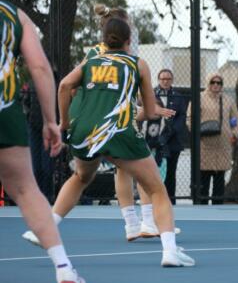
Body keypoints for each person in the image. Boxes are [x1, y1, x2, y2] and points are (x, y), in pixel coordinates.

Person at [21, 5, 179, 245]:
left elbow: (69, 86)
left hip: (86, 123)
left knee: (89, 175)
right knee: (148, 177)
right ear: (124, 34)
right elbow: (96, 91)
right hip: (114, 121)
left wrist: (68, 119)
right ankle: (148, 223)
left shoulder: (93, 55)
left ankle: (132, 224)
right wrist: (147, 111)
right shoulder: (127, 60)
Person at [60, 18, 193, 266]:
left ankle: (45, 226)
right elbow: (150, 111)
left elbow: (65, 85)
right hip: (120, 131)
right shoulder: (136, 63)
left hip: (86, 133)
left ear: (103, 39)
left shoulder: (90, 61)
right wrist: (152, 109)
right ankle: (170, 253)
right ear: (129, 41)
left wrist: (64, 123)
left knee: (80, 178)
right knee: (157, 189)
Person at [0, 0, 87, 283]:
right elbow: (39, 66)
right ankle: (64, 267)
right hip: (4, 112)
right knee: (26, 189)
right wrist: (52, 121)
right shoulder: (14, 16)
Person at [187, 73, 238, 204]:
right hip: (204, 143)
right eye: (213, 82)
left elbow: (236, 119)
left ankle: (218, 206)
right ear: (208, 83)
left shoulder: (228, 100)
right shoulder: (199, 98)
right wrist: (196, 132)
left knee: (219, 178)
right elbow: (190, 118)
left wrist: (234, 133)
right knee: (203, 177)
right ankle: (201, 206)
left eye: (219, 83)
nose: (216, 85)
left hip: (223, 144)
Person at [153, 68, 187, 205]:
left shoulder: (178, 96)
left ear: (172, 80)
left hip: (173, 141)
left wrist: (169, 133)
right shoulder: (151, 95)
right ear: (159, 80)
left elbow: (181, 117)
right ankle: (153, 200)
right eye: (163, 79)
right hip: (153, 140)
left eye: (168, 79)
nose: (165, 81)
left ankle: (170, 200)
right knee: (152, 172)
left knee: (171, 173)